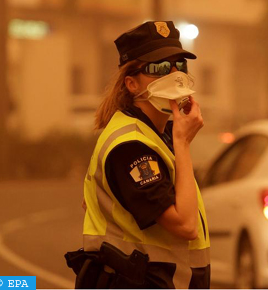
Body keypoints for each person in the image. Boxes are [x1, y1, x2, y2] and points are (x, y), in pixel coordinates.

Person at [66, 21, 210, 289]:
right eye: (160, 68)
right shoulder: (131, 145)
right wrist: (183, 142)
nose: (175, 75)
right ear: (131, 83)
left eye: (181, 65)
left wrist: (178, 138)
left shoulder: (157, 134)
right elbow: (185, 225)